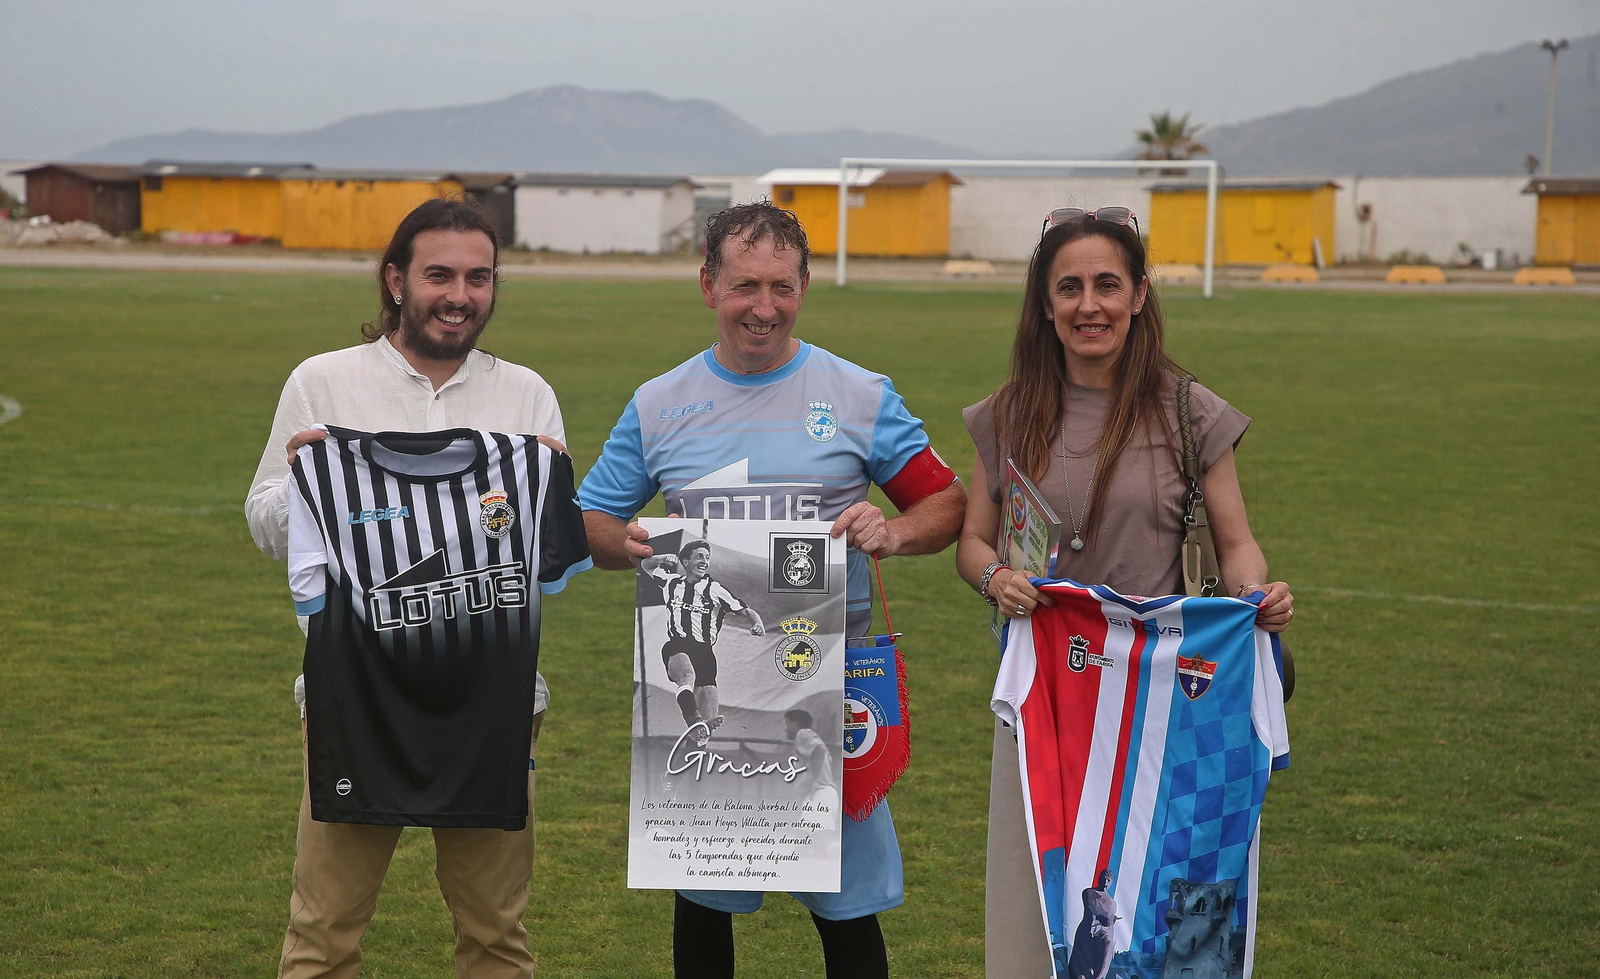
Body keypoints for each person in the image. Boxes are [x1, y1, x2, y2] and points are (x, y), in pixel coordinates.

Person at [578, 201, 966, 979]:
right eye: (745, 285)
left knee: (847, 904)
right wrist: (625, 545)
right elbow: (591, 517)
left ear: (806, 285)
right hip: (707, 666)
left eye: (782, 287)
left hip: (833, 680)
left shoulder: (858, 394)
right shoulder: (659, 403)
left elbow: (946, 502)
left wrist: (891, 532)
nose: (763, 307)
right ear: (707, 284)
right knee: (707, 893)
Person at [953, 206, 1295, 977]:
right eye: (1068, 287)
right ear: (1045, 303)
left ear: (1140, 294)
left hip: (1167, 710)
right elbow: (974, 542)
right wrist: (994, 576)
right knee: (1034, 914)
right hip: (1046, 698)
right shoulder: (1011, 412)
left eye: (1107, 284)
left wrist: (1257, 594)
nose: (1088, 304)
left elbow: (1237, 543)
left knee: (1163, 913)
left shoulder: (1188, 410)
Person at [245, 198, 570, 979]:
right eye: (439, 275)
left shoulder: (526, 395)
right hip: (352, 700)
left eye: (479, 277)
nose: (460, 294)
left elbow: (550, 561)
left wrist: (550, 482)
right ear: (396, 281)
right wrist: (308, 480)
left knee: (496, 936)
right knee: (322, 933)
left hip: (494, 705)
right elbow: (262, 521)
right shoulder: (323, 381)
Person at [641, 538, 766, 744]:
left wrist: (757, 623)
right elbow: (646, 565)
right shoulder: (671, 582)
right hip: (678, 644)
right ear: (685, 561)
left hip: (705, 652)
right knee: (687, 676)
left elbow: (745, 610)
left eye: (707, 557)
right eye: (699, 556)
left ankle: (693, 749)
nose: (704, 561)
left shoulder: (715, 589)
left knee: (707, 723)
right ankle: (693, 718)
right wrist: (663, 558)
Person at [785, 709, 841, 831]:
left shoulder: (803, 733)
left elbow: (818, 750)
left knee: (806, 843)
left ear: (795, 723)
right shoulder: (807, 740)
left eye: (787, 723)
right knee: (807, 844)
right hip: (822, 793)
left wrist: (814, 781)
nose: (785, 728)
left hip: (820, 792)